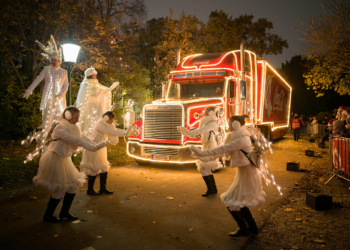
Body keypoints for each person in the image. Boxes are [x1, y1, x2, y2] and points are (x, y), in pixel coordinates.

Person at [190, 116, 265, 237]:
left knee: (232, 200)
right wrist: (203, 157)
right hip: (245, 173)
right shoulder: (239, 136)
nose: (228, 126)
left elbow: (222, 149)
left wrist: (201, 153)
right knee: (239, 201)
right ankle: (252, 229)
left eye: (230, 124)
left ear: (236, 124)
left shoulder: (242, 139)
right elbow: (223, 153)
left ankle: (245, 229)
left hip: (248, 175)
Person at [33, 107, 110, 223]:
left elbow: (83, 138)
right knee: (61, 188)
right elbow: (77, 141)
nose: (77, 120)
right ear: (68, 116)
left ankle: (64, 212)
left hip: (64, 159)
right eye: (76, 117)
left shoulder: (73, 128)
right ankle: (47, 215)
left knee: (73, 186)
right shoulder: (60, 128)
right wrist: (95, 147)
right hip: (56, 159)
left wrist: (97, 144)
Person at [22, 35, 68, 152]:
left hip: (60, 100)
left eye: (56, 60)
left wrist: (61, 94)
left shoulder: (64, 72)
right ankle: (46, 146)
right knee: (47, 121)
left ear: (59, 60)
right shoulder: (46, 69)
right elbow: (38, 80)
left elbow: (65, 86)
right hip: (49, 99)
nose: (54, 61)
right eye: (52, 60)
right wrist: (29, 90)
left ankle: (61, 144)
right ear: (51, 60)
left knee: (61, 120)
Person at [81, 111, 136, 195]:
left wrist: (126, 132)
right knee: (95, 168)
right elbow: (110, 132)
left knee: (104, 167)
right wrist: (124, 134)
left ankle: (103, 188)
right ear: (106, 118)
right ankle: (90, 190)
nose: (112, 122)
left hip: (101, 147)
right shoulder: (99, 124)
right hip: (94, 147)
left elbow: (115, 130)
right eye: (111, 120)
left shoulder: (107, 125)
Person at [177, 106, 221, 197]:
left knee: (203, 168)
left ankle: (211, 189)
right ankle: (213, 189)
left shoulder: (213, 123)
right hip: (207, 145)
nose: (203, 113)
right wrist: (185, 132)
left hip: (211, 146)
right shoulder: (208, 122)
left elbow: (201, 131)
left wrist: (187, 132)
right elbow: (199, 133)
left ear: (212, 113)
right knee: (206, 168)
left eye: (206, 112)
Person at [74, 67, 119, 137]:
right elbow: (85, 98)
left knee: (98, 122)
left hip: (98, 107)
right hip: (90, 108)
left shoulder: (96, 83)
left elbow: (104, 91)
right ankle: (88, 137)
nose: (96, 76)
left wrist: (111, 88)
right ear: (91, 75)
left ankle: (98, 138)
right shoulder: (86, 84)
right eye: (94, 75)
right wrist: (96, 96)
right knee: (89, 123)